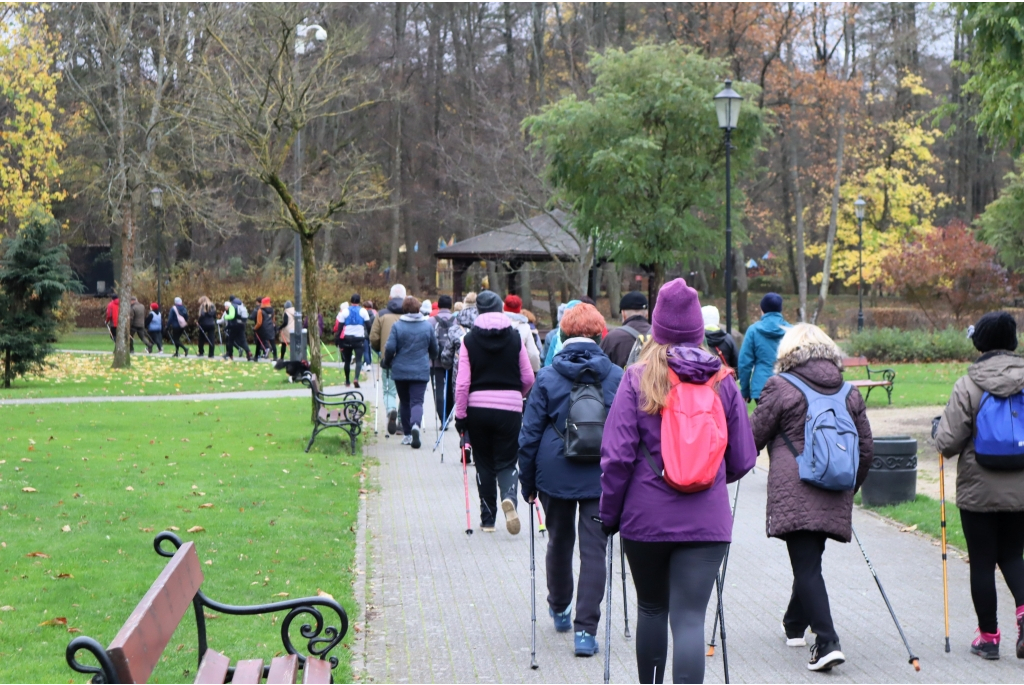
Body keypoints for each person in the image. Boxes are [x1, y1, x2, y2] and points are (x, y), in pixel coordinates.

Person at [600, 278, 757, 684]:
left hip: (645, 518)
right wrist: (710, 476)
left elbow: (616, 457)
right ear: (697, 330)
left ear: (657, 328)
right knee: (690, 619)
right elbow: (743, 458)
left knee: (652, 609)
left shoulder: (636, 379)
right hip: (707, 523)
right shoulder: (723, 380)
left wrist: (609, 516)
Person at [750, 323, 873, 672]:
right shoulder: (848, 391)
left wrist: (731, 466)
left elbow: (753, 435)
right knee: (809, 560)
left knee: (806, 564)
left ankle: (827, 640)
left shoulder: (779, 387)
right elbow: (866, 448)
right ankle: (793, 623)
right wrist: (850, 486)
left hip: (797, 486)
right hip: (835, 484)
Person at [519, 303, 623, 656]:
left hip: (555, 473)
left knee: (559, 541)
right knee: (595, 549)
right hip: (601, 473)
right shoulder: (617, 376)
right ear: (599, 334)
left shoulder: (548, 377)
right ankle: (586, 633)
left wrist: (527, 482)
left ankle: (560, 607)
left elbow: (529, 434)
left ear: (563, 334)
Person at [935, 312, 1024, 660]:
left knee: (983, 562)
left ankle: (988, 638)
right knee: (1014, 555)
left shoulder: (968, 384)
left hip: (978, 489)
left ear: (981, 343)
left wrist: (936, 431)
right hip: (1021, 488)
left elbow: (948, 442)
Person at [454, 290, 535, 533]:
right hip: (509, 409)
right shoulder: (515, 337)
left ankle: (488, 519)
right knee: (508, 459)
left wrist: (460, 415)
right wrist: (517, 394)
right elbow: (529, 376)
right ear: (500, 309)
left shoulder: (469, 340)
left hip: (477, 408)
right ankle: (509, 496)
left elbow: (463, 383)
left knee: (484, 463)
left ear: (478, 310)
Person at [383, 296, 438, 449]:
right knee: (417, 401)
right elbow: (434, 349)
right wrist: (431, 356)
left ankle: (407, 434)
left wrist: (388, 361)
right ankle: (415, 426)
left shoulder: (397, 326)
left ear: (404, 309)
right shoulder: (427, 327)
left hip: (401, 369)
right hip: (420, 369)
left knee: (405, 402)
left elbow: (390, 348)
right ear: (418, 309)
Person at [738, 292, 790, 403]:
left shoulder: (753, 330)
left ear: (762, 309)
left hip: (761, 386)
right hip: (788, 384)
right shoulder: (792, 331)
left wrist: (745, 391)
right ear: (780, 309)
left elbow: (745, 363)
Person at [370, 284, 407, 435]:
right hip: (407, 360)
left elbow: (373, 337)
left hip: (389, 359)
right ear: (405, 298)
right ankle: (400, 421)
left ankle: (391, 409)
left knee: (389, 391)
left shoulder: (381, 314)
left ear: (390, 297)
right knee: (404, 393)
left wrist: (380, 349)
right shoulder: (410, 314)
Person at [600, 292, 651, 368]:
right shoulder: (659, 336)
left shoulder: (612, 338)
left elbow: (601, 368)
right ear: (647, 313)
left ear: (623, 314)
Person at [431, 295, 457, 425]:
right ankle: (448, 414)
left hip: (435, 361)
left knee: (438, 389)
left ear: (438, 305)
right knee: (452, 389)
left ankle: (442, 417)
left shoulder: (430, 321)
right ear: (451, 305)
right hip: (453, 360)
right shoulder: (456, 321)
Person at [337, 294, 370, 388]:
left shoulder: (345, 311)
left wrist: (338, 340)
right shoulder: (363, 311)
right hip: (359, 338)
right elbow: (368, 325)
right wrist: (369, 336)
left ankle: (347, 381)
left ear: (351, 301)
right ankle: (356, 378)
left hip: (347, 338)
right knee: (359, 360)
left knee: (347, 361)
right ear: (359, 301)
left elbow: (340, 328)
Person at [504, 295, 541, 372]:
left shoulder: (495, 323)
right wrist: (534, 371)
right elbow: (533, 354)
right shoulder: (525, 327)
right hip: (517, 370)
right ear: (519, 308)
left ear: (504, 306)